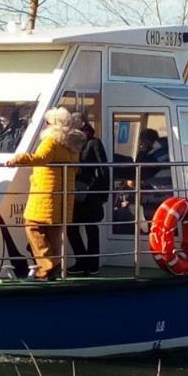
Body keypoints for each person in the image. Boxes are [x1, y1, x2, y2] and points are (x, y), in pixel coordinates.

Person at [5, 107, 82, 280]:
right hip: (64, 194)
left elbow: (41, 158)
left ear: (53, 124)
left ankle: (48, 264)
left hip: (47, 193)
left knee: (32, 225)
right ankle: (53, 270)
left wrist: (17, 159)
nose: (45, 125)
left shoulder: (51, 141)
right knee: (54, 231)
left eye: (47, 122)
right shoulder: (72, 144)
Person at [67, 117, 109, 275]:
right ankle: (81, 260)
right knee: (71, 227)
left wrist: (104, 193)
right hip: (73, 190)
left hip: (90, 191)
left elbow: (103, 168)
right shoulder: (69, 141)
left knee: (91, 227)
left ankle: (93, 264)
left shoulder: (93, 142)